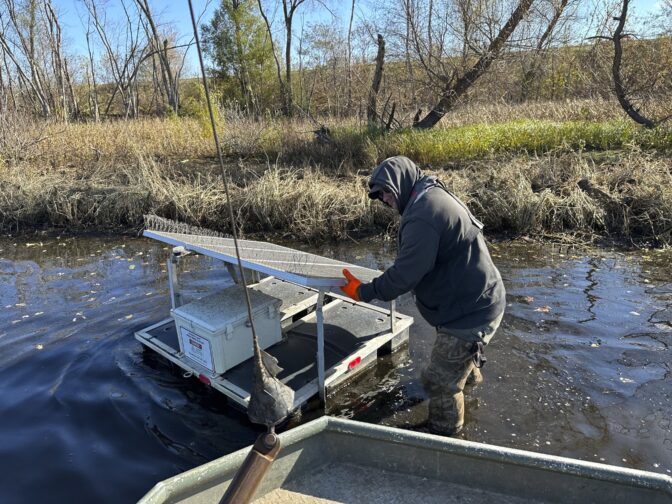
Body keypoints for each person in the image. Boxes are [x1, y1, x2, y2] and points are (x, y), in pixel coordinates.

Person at [340, 155, 506, 436]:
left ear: (400, 183)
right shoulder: (430, 193)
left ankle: (445, 436)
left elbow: (405, 274)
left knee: (441, 384)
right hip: (476, 300)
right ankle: (470, 385)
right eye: (379, 197)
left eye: (386, 193)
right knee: (455, 364)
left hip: (469, 313)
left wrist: (363, 291)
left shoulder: (423, 215)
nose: (385, 201)